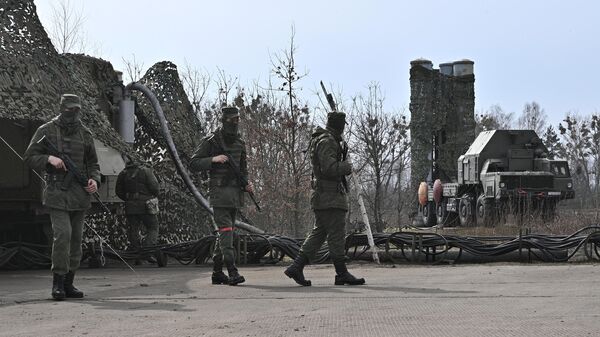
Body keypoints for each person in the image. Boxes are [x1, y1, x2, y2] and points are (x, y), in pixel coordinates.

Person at [24, 94, 101, 300]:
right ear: (61, 108)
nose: (72, 113)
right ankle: (57, 282)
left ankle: (69, 283)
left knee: (76, 240)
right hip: (57, 193)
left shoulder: (85, 134)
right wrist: (49, 158)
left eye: (76, 110)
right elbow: (30, 156)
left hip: (80, 195)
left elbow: (93, 164)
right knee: (63, 236)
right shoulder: (46, 130)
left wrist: (94, 180)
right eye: (69, 110)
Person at [284, 111, 365, 286]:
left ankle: (296, 267)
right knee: (336, 235)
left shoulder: (325, 139)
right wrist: (346, 167)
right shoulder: (327, 141)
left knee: (319, 233)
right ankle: (341, 273)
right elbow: (329, 168)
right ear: (340, 126)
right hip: (329, 196)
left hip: (325, 195)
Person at [190, 106, 252, 286]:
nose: (235, 123)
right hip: (219, 194)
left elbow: (243, 169)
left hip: (234, 196)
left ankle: (217, 273)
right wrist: (213, 160)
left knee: (225, 234)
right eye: (232, 119)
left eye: (237, 119)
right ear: (224, 120)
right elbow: (193, 163)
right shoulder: (211, 141)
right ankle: (232, 271)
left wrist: (247, 183)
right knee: (226, 233)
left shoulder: (240, 143)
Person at [115, 155, 160, 264]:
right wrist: (151, 196)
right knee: (153, 227)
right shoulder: (146, 171)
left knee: (133, 229)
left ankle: (136, 255)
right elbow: (155, 187)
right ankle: (147, 251)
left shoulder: (123, 173)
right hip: (145, 205)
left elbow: (118, 191)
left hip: (130, 206)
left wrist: (128, 199)